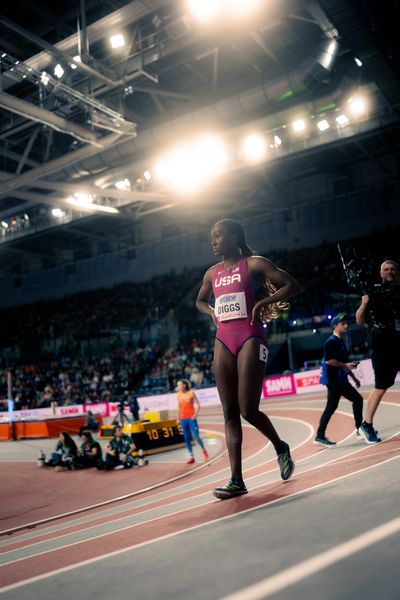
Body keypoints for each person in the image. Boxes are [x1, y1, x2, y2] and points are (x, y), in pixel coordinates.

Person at [196, 218, 301, 499]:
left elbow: (292, 285)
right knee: (229, 411)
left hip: (250, 335)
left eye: (218, 236)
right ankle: (236, 480)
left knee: (248, 410)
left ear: (234, 237)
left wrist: (261, 303)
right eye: (211, 237)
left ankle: (280, 447)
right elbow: (200, 301)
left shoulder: (254, 264)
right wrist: (211, 313)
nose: (213, 241)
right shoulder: (211, 274)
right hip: (223, 338)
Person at [355, 259, 400, 443]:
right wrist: (364, 304)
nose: (390, 271)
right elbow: (359, 321)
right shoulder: (372, 291)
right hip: (380, 346)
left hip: (398, 342)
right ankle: (366, 424)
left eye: (393, 269)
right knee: (381, 387)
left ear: (397, 272)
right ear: (381, 273)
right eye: (386, 269)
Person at [314, 315, 363, 446]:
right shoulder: (331, 342)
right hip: (335, 380)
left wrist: (354, 377)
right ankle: (360, 429)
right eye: (343, 323)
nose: (346, 325)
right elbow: (330, 361)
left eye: (346, 323)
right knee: (357, 400)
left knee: (331, 407)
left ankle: (319, 436)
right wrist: (345, 366)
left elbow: (343, 363)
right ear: (335, 326)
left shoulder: (340, 341)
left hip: (339, 380)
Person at [176, 379, 209, 464]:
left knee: (196, 436)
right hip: (183, 419)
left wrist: (195, 415)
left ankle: (204, 450)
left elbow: (198, 404)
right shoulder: (178, 395)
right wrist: (178, 418)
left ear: (184, 385)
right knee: (186, 438)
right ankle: (191, 456)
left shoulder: (191, 393)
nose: (178, 387)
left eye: (179, 385)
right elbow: (179, 407)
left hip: (191, 418)